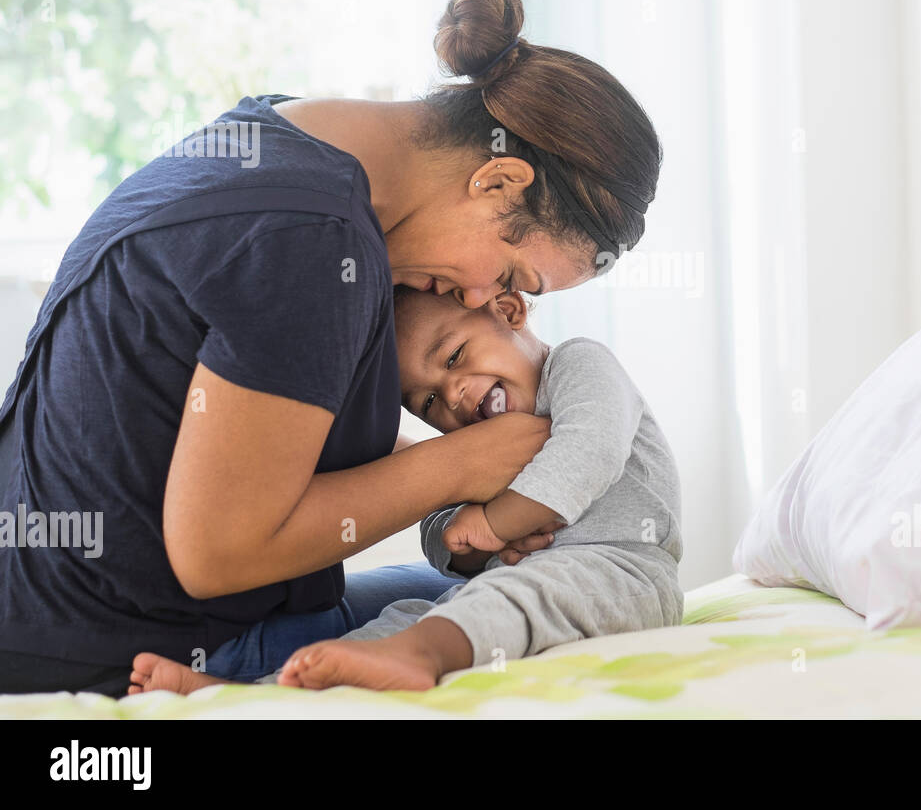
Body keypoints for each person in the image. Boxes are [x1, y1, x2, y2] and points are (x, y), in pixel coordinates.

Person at [0, 0, 662, 696]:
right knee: (536, 617)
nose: (480, 300)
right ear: (497, 180)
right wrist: (461, 466)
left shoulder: (282, 134)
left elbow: (256, 440)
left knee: (481, 596)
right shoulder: (314, 244)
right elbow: (216, 552)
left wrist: (477, 479)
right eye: (509, 274)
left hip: (36, 605)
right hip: (114, 648)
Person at [128, 286, 682, 694]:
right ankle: (256, 697)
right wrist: (471, 544)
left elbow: (592, 448)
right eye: (427, 404)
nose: (454, 394)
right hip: (516, 579)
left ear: (509, 312)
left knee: (513, 597)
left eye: (455, 357)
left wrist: (496, 522)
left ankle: (415, 659)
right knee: (405, 615)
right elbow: (442, 532)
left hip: (621, 570)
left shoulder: (577, 365)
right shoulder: (480, 447)